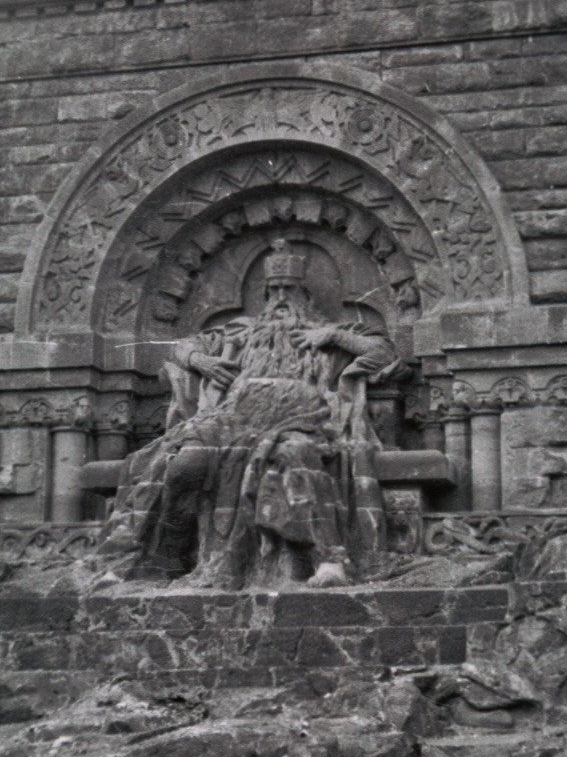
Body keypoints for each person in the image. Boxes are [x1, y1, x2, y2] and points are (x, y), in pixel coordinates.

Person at [101, 239, 397, 589]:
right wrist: (203, 362)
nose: (282, 298)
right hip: (234, 417)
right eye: (274, 290)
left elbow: (384, 354)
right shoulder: (240, 332)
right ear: (265, 295)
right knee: (185, 462)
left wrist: (333, 336)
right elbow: (183, 347)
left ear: (306, 294)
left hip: (303, 417)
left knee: (295, 454)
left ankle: (330, 560)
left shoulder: (329, 334)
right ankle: (164, 557)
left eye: (290, 289)